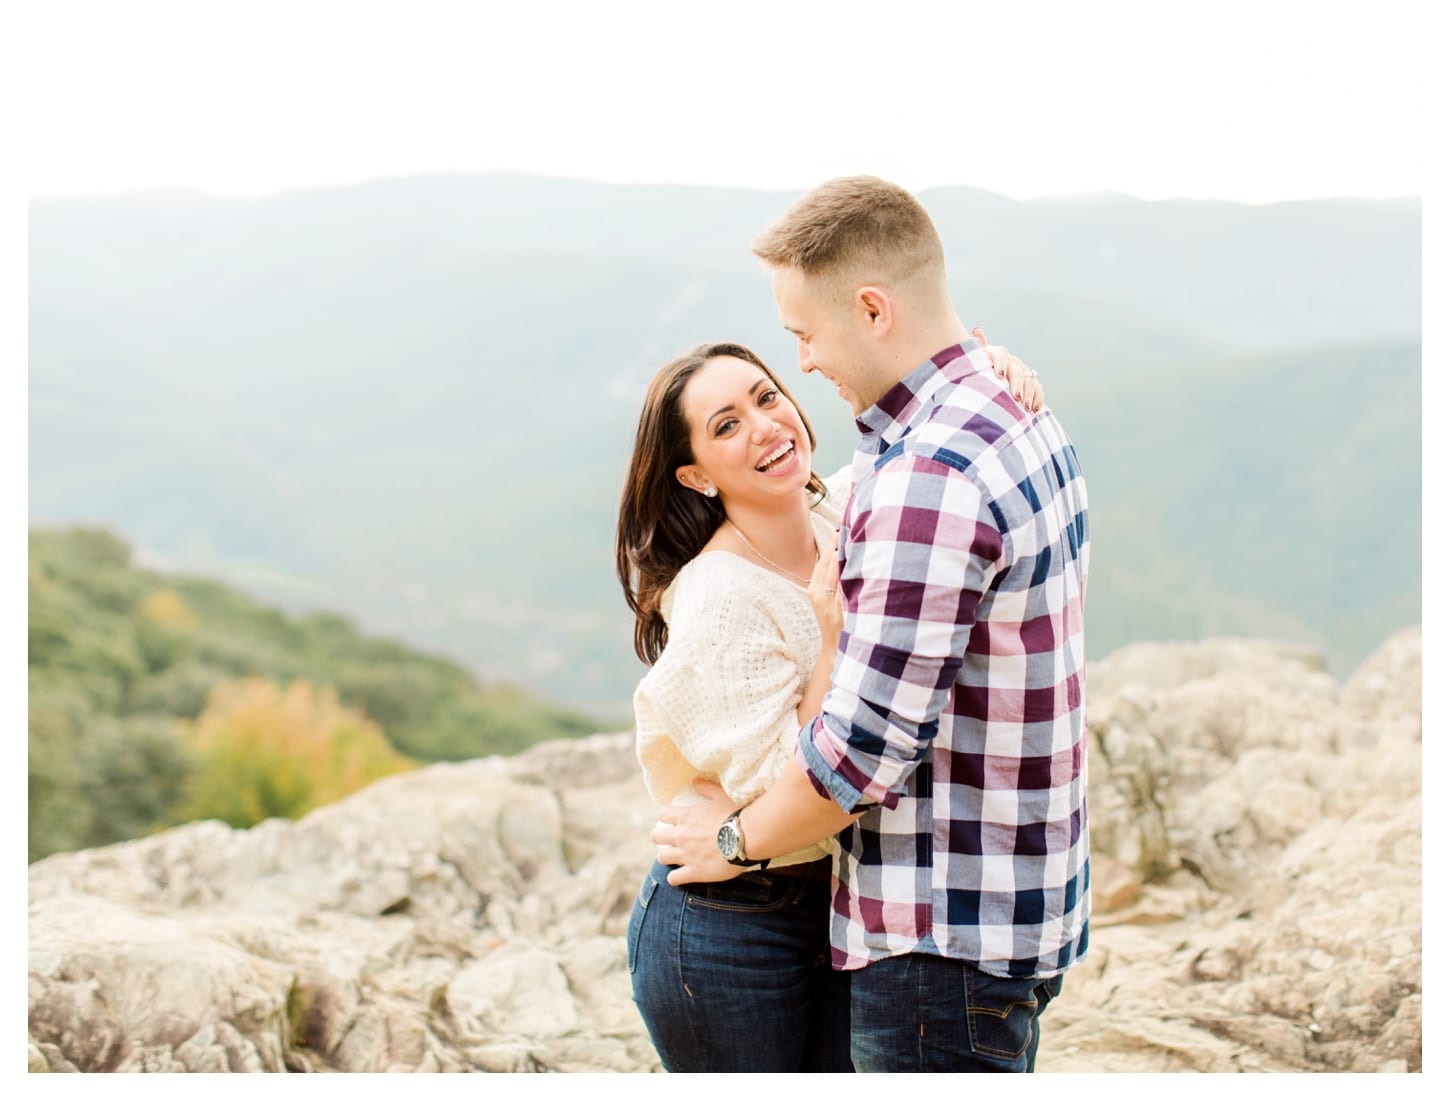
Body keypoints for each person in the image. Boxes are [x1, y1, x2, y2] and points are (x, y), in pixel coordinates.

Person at [653, 176, 1092, 1074]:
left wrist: (730, 842)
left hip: (937, 931)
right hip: (986, 908)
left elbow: (859, 753)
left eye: (802, 337)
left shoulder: (920, 477)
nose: (805, 364)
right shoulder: (1005, 421)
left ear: (872, 309)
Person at [616, 334, 1044, 1073]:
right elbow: (791, 788)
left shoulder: (832, 512)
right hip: (729, 929)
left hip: (835, 908)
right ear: (694, 475)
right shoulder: (719, 599)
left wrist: (988, 371)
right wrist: (829, 638)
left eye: (766, 396)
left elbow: (907, 468)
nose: (765, 425)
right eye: (726, 426)